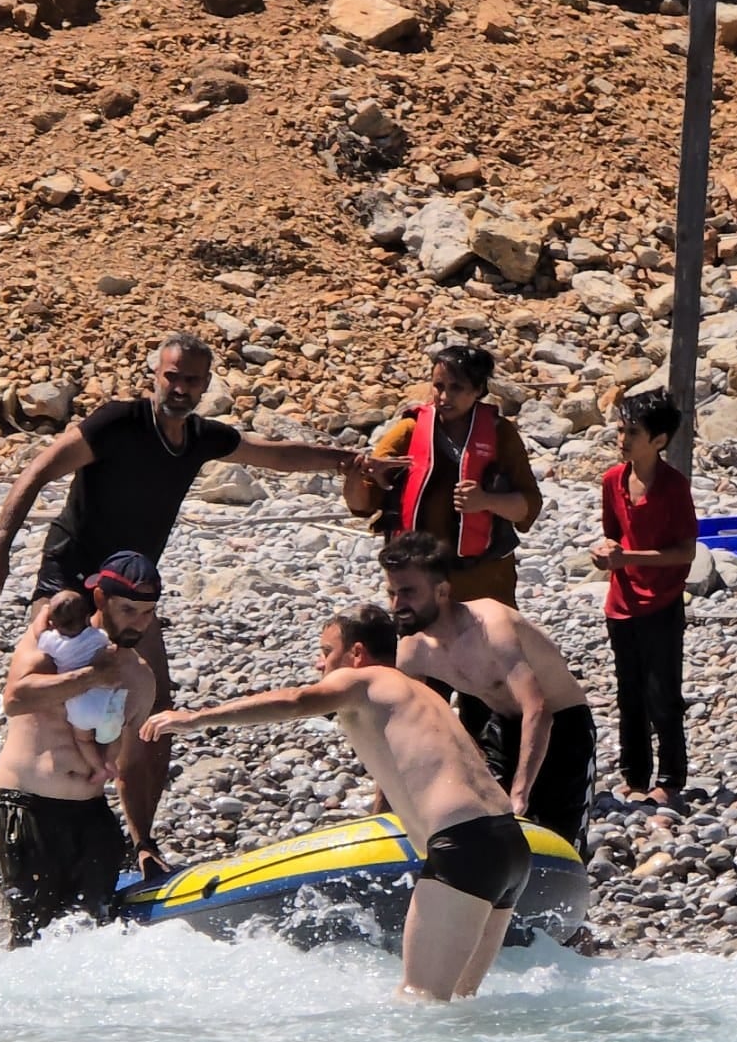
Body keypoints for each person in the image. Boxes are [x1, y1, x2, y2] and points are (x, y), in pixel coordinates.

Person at [0, 332, 369, 875]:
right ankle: (29, 819)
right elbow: (39, 469)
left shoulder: (202, 437)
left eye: (191, 380)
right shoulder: (116, 422)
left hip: (134, 595)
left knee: (155, 711)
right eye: (172, 376)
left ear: (206, 385)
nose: (180, 388)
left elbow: (273, 455)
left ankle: (142, 841)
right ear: (155, 376)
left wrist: (346, 459)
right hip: (71, 583)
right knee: (48, 700)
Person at [139, 604, 532, 1003]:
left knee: (421, 1001)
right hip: (509, 845)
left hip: (463, 848)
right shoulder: (421, 694)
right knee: (462, 1004)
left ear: (356, 653)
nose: (319, 662)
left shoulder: (364, 681)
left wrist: (197, 718)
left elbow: (295, 700)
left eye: (326, 651)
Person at [380, 532, 597, 854]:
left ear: (441, 591)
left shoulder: (490, 628)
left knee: (559, 842)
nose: (397, 605)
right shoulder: (414, 650)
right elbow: (400, 730)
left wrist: (520, 793)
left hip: (563, 727)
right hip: (502, 727)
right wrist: (384, 807)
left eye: (408, 593)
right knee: (487, 831)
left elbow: (538, 710)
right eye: (392, 593)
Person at [0, 551, 161, 947]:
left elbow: (131, 764)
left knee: (94, 938)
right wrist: (90, 677)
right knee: (31, 942)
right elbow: (16, 698)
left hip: (91, 815)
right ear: (99, 600)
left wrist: (143, 844)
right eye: (130, 610)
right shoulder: (50, 643)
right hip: (30, 807)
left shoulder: (139, 676)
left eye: (148, 612)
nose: (140, 622)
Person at [343, 343, 542, 609]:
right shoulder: (409, 431)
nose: (444, 396)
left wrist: (485, 501)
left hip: (482, 579)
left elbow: (529, 506)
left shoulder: (500, 435)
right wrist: (356, 476)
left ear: (478, 390)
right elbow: (362, 505)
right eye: (438, 386)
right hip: (418, 582)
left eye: (456, 388)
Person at [590, 390, 698, 810]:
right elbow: (613, 534)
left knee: (662, 692)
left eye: (633, 432)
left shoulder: (673, 488)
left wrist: (626, 557)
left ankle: (671, 777)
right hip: (622, 601)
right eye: (621, 429)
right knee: (628, 691)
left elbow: (686, 552)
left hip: (662, 602)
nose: (623, 438)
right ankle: (634, 774)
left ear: (659, 440)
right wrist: (606, 553)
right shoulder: (613, 481)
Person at [37, 588, 123, 784]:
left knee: (83, 739)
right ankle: (110, 761)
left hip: (80, 706)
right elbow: (110, 646)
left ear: (53, 623)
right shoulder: (97, 636)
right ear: (87, 618)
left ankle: (98, 768)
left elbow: (38, 633)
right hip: (106, 699)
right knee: (116, 733)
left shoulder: (52, 642)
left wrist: (43, 613)